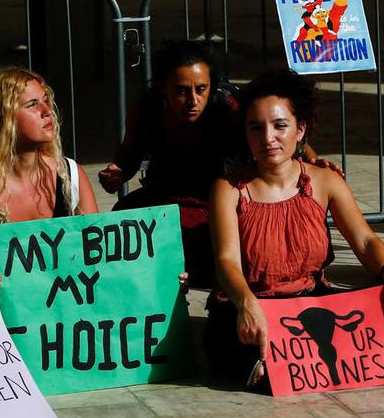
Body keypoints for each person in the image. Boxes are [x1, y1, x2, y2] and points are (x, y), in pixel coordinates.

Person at [207, 69, 384, 382]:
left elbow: (365, 241)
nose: (269, 138)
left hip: (310, 302)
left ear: (300, 130)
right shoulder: (227, 189)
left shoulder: (325, 181)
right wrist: (246, 303)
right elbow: (227, 261)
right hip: (253, 305)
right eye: (256, 128)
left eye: (280, 126)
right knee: (255, 362)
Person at [100, 40, 337, 286]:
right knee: (122, 225)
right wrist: (117, 172)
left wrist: (312, 159)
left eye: (201, 89)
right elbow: (128, 153)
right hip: (166, 196)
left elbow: (284, 135)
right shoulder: (147, 110)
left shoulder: (229, 108)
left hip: (220, 199)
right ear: (163, 88)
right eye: (182, 91)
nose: (193, 100)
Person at [0, 66, 98, 222]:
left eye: (46, 100)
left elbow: (95, 241)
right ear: (2, 119)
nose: (47, 110)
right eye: (32, 104)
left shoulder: (71, 176)